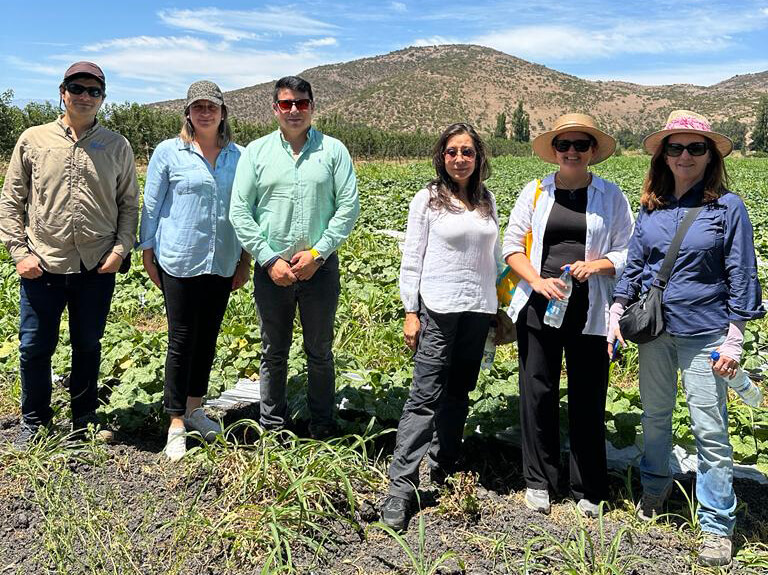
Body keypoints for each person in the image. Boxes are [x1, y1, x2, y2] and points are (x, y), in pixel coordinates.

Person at [610, 110, 764, 567]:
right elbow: (635, 264)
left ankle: (717, 524)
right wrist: (617, 311)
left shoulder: (727, 207)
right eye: (675, 147)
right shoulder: (652, 206)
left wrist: (735, 338)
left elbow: (742, 273)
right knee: (655, 417)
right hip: (656, 333)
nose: (684, 155)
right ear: (663, 155)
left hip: (706, 333)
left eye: (695, 147)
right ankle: (655, 490)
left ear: (710, 154)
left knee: (710, 430)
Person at [0, 62, 139, 447]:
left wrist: (120, 248)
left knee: (88, 344)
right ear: (62, 91)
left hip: (96, 264)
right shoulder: (33, 139)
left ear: (103, 99)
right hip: (42, 263)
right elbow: (11, 200)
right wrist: (18, 252)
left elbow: (129, 204)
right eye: (78, 88)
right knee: (33, 346)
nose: (85, 96)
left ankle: (83, 418)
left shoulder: (118, 145)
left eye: (94, 91)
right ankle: (34, 421)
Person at [502, 113, 633, 517]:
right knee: (537, 389)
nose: (572, 152)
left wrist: (597, 266)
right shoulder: (536, 191)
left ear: (593, 151)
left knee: (588, 394)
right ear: (554, 151)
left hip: (591, 308)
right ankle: (539, 481)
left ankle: (588, 487)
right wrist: (537, 282)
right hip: (540, 304)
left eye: (580, 145)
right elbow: (511, 245)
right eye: (564, 145)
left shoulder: (612, 197)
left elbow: (630, 251)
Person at [380, 123, 500, 531]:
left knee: (459, 390)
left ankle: (444, 464)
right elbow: (412, 256)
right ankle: (400, 488)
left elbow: (493, 258)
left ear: (478, 157)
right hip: (438, 308)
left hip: (478, 309)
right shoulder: (428, 200)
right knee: (424, 395)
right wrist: (410, 310)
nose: (460, 159)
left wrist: (497, 306)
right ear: (442, 157)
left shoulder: (487, 200)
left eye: (467, 152)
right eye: (452, 152)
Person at [229, 76, 359, 440]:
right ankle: (273, 427)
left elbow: (348, 207)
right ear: (275, 109)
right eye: (286, 104)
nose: (294, 110)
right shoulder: (256, 152)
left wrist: (318, 253)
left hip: (320, 268)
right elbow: (240, 210)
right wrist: (270, 260)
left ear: (312, 107)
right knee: (273, 352)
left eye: (301, 103)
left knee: (319, 351)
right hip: (273, 270)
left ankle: (322, 426)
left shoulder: (333, 151)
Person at [138, 81, 250, 460]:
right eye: (198, 106)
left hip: (222, 260)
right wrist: (147, 250)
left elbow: (246, 210)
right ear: (188, 112)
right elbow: (151, 205)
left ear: (223, 112)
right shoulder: (170, 153)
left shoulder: (240, 156)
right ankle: (175, 422)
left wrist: (245, 258)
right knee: (182, 337)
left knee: (208, 336)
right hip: (179, 258)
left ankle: (195, 408)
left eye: (212, 106)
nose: (205, 112)